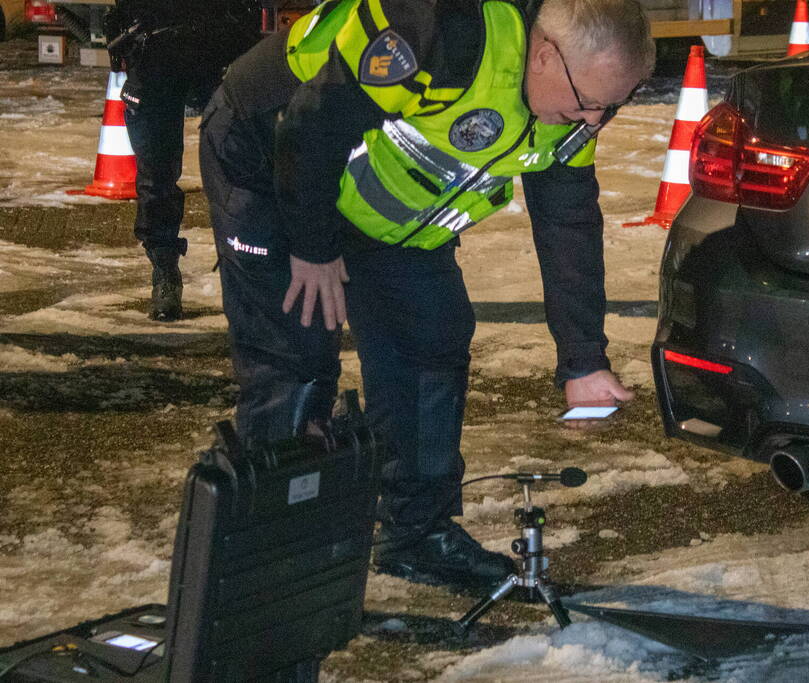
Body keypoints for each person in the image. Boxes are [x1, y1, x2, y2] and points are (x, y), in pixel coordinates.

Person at [199, 0, 654, 590]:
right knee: (296, 358)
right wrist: (312, 249)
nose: (594, 122)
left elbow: (568, 220)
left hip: (381, 201)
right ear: (545, 56)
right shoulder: (440, 30)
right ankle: (275, 562)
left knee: (429, 342)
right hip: (270, 152)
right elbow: (311, 126)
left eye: (613, 108)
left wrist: (583, 358)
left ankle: (417, 536)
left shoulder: (574, 105)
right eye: (591, 103)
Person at [103, 0, 263, 321]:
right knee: (156, 176)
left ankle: (250, 275)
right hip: (154, 53)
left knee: (241, 171)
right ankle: (165, 273)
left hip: (219, 47)